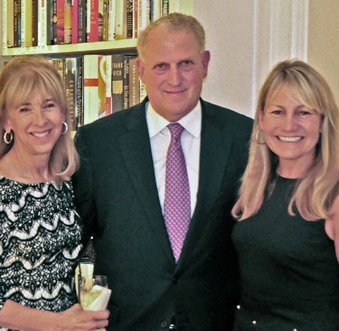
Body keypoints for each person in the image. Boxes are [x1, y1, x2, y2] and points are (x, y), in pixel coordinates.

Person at [72, 13, 253, 331]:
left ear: (205, 64)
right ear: (141, 70)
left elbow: (267, 238)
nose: (175, 79)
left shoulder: (244, 138)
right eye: (161, 66)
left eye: (186, 64)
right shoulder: (97, 143)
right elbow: (70, 241)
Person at [231, 59, 339, 330]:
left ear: (324, 121)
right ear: (261, 119)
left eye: (304, 113)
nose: (289, 126)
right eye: (278, 112)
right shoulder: (255, 188)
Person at [0, 57, 109, 331]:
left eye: (49, 105)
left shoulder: (62, 180)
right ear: (7, 120)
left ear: (64, 114)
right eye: (25, 109)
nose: (40, 120)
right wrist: (60, 324)